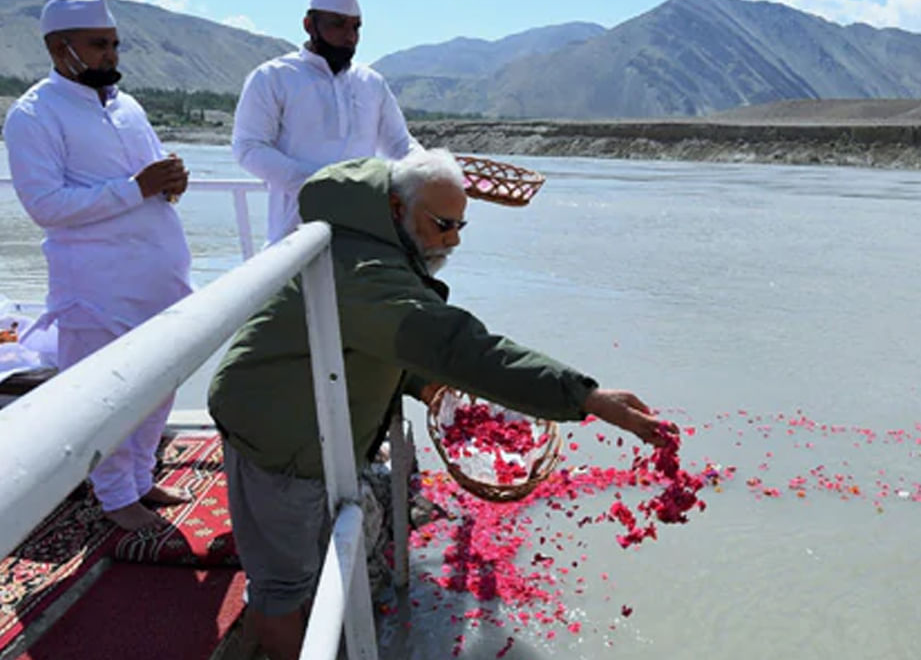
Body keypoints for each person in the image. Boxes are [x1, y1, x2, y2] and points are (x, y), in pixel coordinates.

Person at [207, 148, 669, 660]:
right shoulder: (365, 269)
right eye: (443, 224)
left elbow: (371, 342)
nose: (452, 240)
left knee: (305, 556)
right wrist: (587, 396)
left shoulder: (372, 240)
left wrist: (421, 385)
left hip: (307, 413)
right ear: (396, 207)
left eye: (461, 226)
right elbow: (453, 344)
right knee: (281, 583)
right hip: (278, 434)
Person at [3, 0, 193, 530]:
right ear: (58, 48)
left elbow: (150, 179)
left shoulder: (126, 106)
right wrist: (135, 189)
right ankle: (115, 498)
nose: (110, 54)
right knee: (105, 393)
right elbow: (45, 206)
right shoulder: (34, 115)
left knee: (160, 383)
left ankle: (140, 479)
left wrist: (171, 180)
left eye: (113, 43)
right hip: (96, 286)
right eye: (98, 44)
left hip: (159, 275)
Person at [231, 0, 424, 245]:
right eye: (338, 24)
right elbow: (248, 148)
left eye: (356, 27)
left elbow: (400, 144)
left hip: (363, 233)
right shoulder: (273, 77)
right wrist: (321, 185)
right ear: (309, 25)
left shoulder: (371, 82)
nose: (350, 36)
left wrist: (428, 170)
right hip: (293, 235)